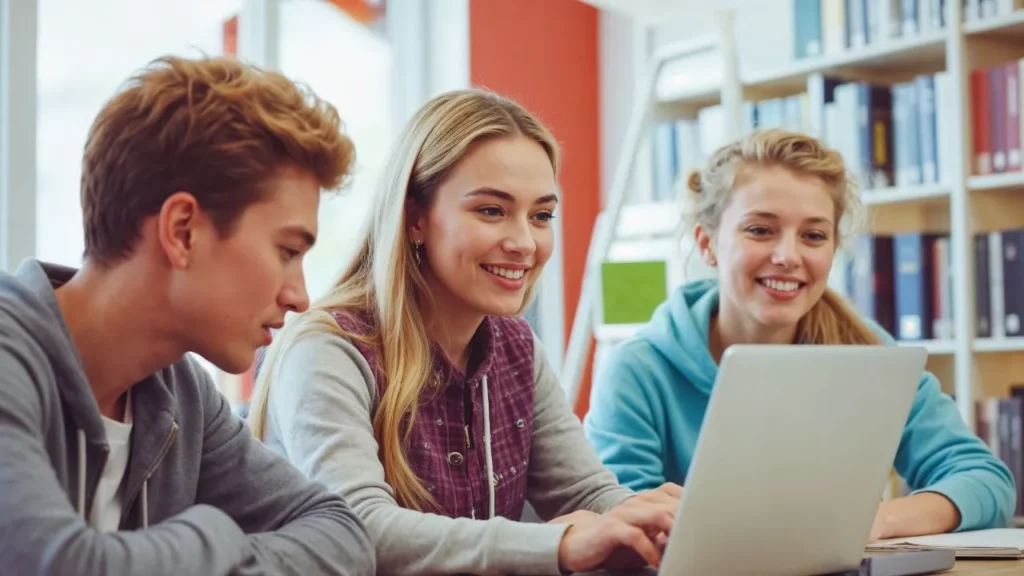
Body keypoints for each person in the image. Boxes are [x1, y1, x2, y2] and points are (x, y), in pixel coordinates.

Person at [248, 88, 682, 575]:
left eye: (541, 216)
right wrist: (557, 544)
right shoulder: (328, 348)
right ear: (415, 218)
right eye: (491, 211)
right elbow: (360, 528)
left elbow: (584, 492)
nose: (524, 242)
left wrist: (657, 523)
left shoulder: (515, 347)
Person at [0, 55, 376, 575]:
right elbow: (60, 565)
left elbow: (341, 533)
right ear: (182, 231)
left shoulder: (181, 395)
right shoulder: (8, 358)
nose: (299, 297)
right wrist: (214, 532)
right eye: (287, 250)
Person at [584, 128, 1018, 542]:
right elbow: (623, 523)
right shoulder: (637, 372)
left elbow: (986, 480)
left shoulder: (867, 355)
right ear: (708, 243)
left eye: (813, 235)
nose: (788, 256)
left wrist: (877, 520)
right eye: (760, 229)